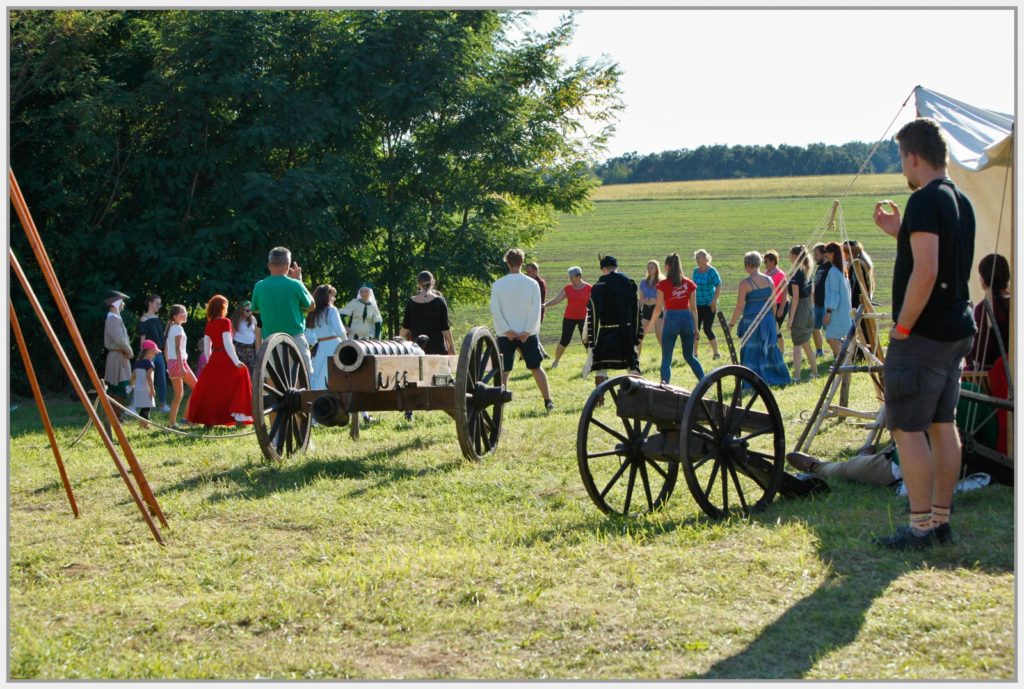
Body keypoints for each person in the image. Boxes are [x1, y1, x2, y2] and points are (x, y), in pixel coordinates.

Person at [870, 116, 977, 549]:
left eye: (901, 158)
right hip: (956, 328)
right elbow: (940, 256)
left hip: (924, 334)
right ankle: (940, 520)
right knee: (942, 422)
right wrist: (901, 233)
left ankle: (920, 527)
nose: (903, 167)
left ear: (913, 156)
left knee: (906, 426)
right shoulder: (960, 200)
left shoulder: (924, 201)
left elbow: (927, 270)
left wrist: (902, 327)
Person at [490, 248, 553, 412]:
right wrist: (528, 330)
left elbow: (495, 310)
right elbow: (536, 309)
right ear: (522, 262)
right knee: (536, 367)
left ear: (507, 262)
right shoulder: (532, 283)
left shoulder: (498, 284)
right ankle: (548, 401)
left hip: (505, 334)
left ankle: (499, 405)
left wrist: (506, 330)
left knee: (504, 371)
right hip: (527, 333)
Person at [186, 295, 254, 427]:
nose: (227, 309)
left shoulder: (209, 324)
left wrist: (209, 361)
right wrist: (236, 362)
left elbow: (207, 346)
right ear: (222, 308)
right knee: (241, 377)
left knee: (214, 389)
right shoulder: (225, 322)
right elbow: (228, 344)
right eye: (226, 306)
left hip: (215, 359)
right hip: (226, 358)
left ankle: (209, 421)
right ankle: (239, 418)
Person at [727, 252, 791, 386]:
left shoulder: (745, 283)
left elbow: (739, 307)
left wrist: (731, 324)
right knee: (769, 348)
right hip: (768, 320)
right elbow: (773, 303)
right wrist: (772, 320)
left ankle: (751, 381)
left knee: (751, 351)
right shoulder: (769, 280)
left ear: (747, 264)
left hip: (752, 322)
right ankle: (776, 376)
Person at [251, 246, 315, 375]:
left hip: (271, 343)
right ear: (287, 265)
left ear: (269, 265)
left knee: (273, 381)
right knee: (302, 381)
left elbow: (256, 310)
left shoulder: (259, 286)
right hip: (295, 340)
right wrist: (300, 281)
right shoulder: (295, 284)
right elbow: (311, 306)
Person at [645, 253, 704, 385]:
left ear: (667, 267)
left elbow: (658, 309)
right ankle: (705, 382)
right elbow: (694, 309)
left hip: (671, 320)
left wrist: (650, 325)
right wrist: (696, 328)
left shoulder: (663, 285)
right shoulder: (689, 284)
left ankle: (665, 386)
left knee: (666, 357)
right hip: (686, 320)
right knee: (689, 356)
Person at [584, 255, 641, 387]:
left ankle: (599, 396)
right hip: (626, 331)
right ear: (616, 267)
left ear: (603, 269)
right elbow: (636, 311)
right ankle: (635, 394)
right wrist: (636, 335)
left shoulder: (599, 286)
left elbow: (593, 312)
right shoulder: (629, 283)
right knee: (632, 366)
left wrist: (590, 339)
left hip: (607, 332)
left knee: (601, 367)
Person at [966, 253, 1010, 371]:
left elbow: (979, 354)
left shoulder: (983, 308)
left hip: (991, 373)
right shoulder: (1017, 304)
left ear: (985, 278)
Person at [543, 266, 592, 369]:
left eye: (572, 277)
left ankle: (591, 362)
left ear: (579, 276)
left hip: (584, 318)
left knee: (586, 340)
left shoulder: (589, 288)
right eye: (570, 277)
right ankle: (556, 362)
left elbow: (595, 303)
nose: (570, 279)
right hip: (569, 318)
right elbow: (556, 300)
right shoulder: (568, 288)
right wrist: (544, 305)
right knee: (564, 340)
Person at [400, 270, 455, 355]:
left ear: (419, 284)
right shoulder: (440, 301)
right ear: (433, 282)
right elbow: (445, 328)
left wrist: (396, 345)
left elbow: (405, 328)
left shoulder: (411, 302)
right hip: (438, 350)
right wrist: (452, 347)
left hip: (417, 350)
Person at [305, 284, 348, 390]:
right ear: (327, 297)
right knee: (336, 372)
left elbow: (308, 335)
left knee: (318, 373)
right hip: (334, 345)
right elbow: (340, 330)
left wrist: (316, 342)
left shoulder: (312, 313)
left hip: (320, 347)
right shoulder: (332, 310)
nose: (334, 298)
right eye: (332, 296)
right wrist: (346, 344)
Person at [102, 290, 134, 422]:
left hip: (120, 356)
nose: (123, 304)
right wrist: (129, 350)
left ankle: (116, 416)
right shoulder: (113, 319)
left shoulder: (115, 318)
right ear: (116, 302)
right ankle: (114, 417)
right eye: (122, 302)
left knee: (122, 388)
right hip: (117, 357)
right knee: (121, 388)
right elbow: (120, 339)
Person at [787, 245, 817, 381]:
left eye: (790, 254)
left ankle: (797, 376)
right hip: (808, 308)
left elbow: (795, 297)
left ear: (795, 256)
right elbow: (811, 294)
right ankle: (815, 372)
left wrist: (791, 318)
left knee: (797, 344)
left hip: (799, 308)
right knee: (805, 343)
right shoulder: (808, 270)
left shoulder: (795, 273)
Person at [165, 303, 197, 428]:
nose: (185, 314)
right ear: (175, 316)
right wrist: (182, 367)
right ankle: (187, 419)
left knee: (178, 395)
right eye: (182, 312)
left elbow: (166, 350)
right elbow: (178, 349)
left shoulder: (171, 328)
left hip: (172, 362)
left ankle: (172, 423)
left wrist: (169, 365)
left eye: (185, 312)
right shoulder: (178, 329)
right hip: (179, 362)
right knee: (197, 387)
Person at [138, 294, 170, 413]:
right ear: (150, 303)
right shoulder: (144, 319)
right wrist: (143, 355)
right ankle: (139, 405)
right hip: (149, 354)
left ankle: (162, 404)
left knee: (162, 379)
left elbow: (162, 337)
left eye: (160, 304)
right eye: (157, 303)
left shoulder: (158, 319)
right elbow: (143, 339)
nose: (158, 306)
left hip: (159, 353)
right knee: (146, 379)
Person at [821, 241, 853, 359]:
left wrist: (828, 312)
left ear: (833, 253)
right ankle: (844, 361)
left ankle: (842, 362)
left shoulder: (833, 272)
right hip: (844, 311)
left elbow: (834, 294)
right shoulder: (842, 271)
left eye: (827, 252)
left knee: (831, 337)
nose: (825, 255)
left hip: (836, 312)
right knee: (835, 338)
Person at [691, 249, 722, 360]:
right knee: (695, 329)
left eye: (699, 257)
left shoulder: (712, 271)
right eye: (696, 258)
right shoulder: (695, 271)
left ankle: (716, 353)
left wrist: (714, 301)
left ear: (706, 259)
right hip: (697, 305)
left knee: (707, 329)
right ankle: (694, 354)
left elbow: (718, 285)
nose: (697, 260)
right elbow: (692, 287)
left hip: (709, 305)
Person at [763, 249, 789, 355]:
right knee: (771, 328)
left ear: (773, 262)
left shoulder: (780, 274)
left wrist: (781, 308)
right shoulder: (766, 274)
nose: (764, 264)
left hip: (779, 304)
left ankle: (781, 352)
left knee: (775, 329)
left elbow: (785, 291)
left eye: (766, 261)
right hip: (770, 305)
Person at [523, 262, 550, 360]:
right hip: (530, 311)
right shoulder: (531, 281)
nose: (528, 274)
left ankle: (540, 354)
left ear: (536, 271)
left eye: (530, 271)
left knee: (532, 333)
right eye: (527, 272)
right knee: (532, 333)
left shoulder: (539, 283)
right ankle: (543, 353)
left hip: (537, 312)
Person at [637, 260, 663, 358]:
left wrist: (655, 300)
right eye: (648, 268)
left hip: (657, 309)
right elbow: (641, 299)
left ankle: (667, 355)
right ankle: (637, 359)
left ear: (656, 269)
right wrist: (638, 311)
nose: (649, 269)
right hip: (646, 310)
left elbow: (663, 299)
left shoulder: (661, 282)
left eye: (651, 267)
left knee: (659, 335)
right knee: (640, 336)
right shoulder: (643, 282)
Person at [131, 340, 160, 429]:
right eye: (155, 351)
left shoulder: (138, 362)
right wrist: (152, 389)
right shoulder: (149, 363)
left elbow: (133, 376)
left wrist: (132, 385)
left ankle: (142, 425)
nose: (156, 354)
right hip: (146, 389)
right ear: (149, 351)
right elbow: (149, 377)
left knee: (144, 408)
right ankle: (144, 425)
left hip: (138, 389)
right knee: (146, 408)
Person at [230, 300, 260, 376]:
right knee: (239, 371)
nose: (250, 312)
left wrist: (258, 350)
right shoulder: (235, 320)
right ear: (241, 310)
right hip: (238, 348)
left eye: (251, 310)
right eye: (247, 311)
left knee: (251, 372)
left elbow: (256, 335)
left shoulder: (253, 319)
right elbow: (231, 336)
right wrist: (232, 351)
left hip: (250, 349)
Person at [811, 243, 830, 358]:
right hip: (817, 304)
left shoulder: (830, 268)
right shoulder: (819, 268)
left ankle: (838, 352)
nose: (815, 257)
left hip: (826, 305)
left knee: (830, 331)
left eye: (817, 255)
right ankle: (819, 352)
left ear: (825, 254)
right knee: (815, 328)